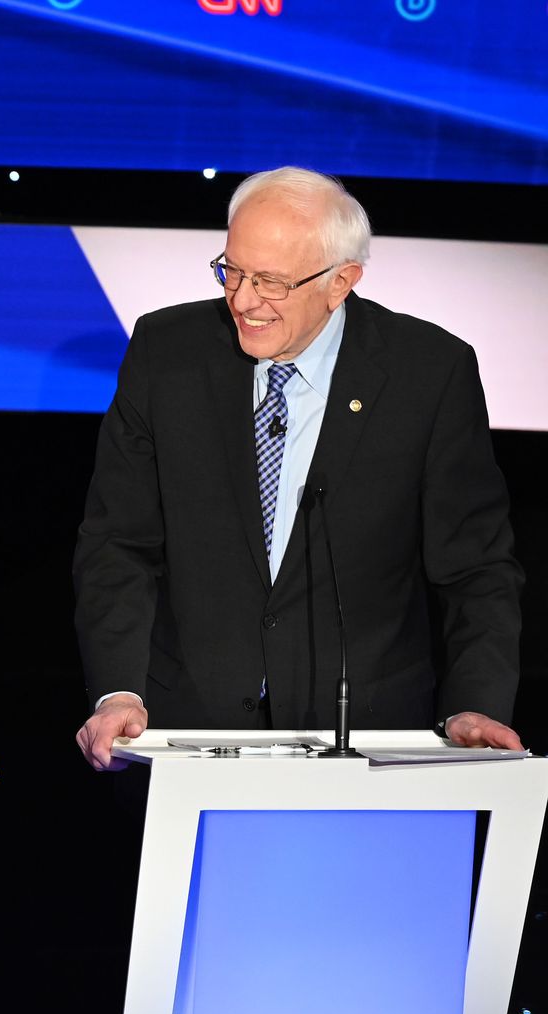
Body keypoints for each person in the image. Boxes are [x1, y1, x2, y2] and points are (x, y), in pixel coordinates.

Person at [73, 166, 523, 769]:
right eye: (231, 268)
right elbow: (117, 542)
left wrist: (474, 702)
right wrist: (118, 690)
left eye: (271, 281)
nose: (242, 299)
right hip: (184, 735)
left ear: (341, 282)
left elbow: (476, 568)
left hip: (366, 742)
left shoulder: (430, 373)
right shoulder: (165, 350)